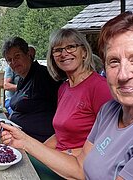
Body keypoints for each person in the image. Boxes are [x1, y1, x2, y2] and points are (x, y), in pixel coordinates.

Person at [0, 10, 133, 179]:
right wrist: (24, 141)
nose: (123, 75)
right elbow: (81, 167)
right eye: (114, 61)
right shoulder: (109, 110)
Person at [31, 28, 112, 179]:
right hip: (59, 160)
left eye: (71, 47)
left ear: (85, 52)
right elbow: (61, 135)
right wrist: (38, 150)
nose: (64, 53)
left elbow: (110, 139)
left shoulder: (100, 87)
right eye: (58, 50)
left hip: (78, 169)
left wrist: (72, 153)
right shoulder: (64, 88)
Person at [3, 37, 60, 142]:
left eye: (17, 56)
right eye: (9, 60)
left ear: (28, 54)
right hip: (19, 137)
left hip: (38, 142)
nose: (13, 62)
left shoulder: (44, 76)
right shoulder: (23, 79)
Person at [3, 46, 35, 115]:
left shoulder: (35, 71)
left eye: (33, 56)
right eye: (9, 59)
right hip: (11, 99)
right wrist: (24, 88)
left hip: (26, 102)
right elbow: (6, 85)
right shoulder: (12, 67)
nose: (31, 58)